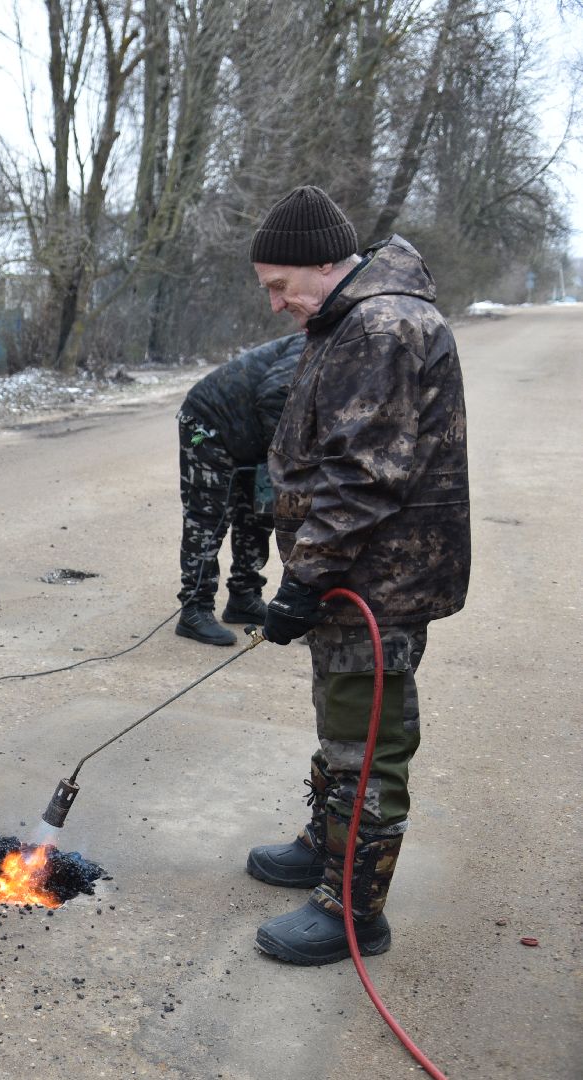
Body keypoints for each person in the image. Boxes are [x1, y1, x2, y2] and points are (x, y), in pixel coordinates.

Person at [246, 186, 470, 965]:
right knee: (339, 719)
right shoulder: (347, 318)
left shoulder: (381, 326)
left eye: (281, 286)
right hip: (355, 574)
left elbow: (362, 475)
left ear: (321, 265)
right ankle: (325, 841)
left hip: (381, 578)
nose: (277, 304)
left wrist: (304, 576)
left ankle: (354, 908)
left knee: (367, 740)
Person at [174, 333, 304, 646]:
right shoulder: (314, 344)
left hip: (255, 439)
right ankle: (195, 609)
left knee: (259, 515)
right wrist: (293, 459)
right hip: (207, 427)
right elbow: (274, 396)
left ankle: (244, 596)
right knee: (209, 516)